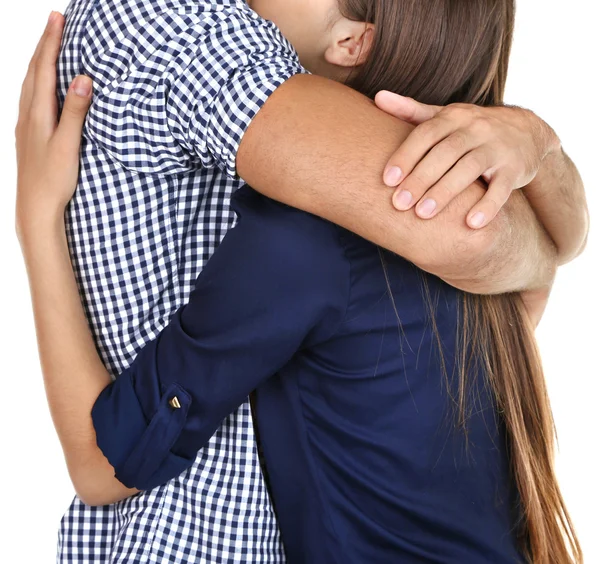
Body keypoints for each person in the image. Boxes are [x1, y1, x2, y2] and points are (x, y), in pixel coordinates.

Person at [17, 1, 587, 563]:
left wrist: (35, 218)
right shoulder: (487, 239)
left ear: (351, 42)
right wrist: (543, 189)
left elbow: (104, 465)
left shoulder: (300, 246)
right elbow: (529, 268)